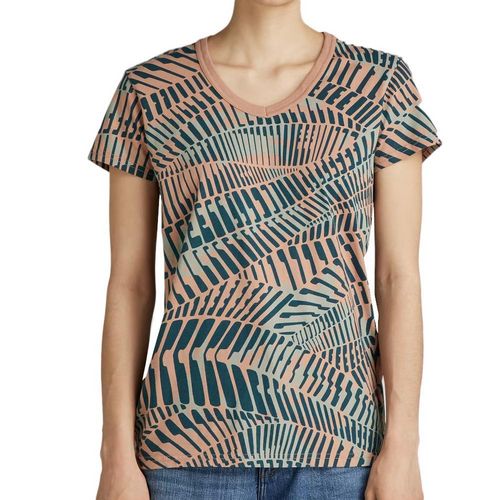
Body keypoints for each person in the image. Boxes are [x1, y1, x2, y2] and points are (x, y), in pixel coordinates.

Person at [88, 1, 441, 499]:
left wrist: (404, 448)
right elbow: (129, 284)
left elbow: (397, 276)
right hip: (183, 447)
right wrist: (115, 455)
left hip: (340, 448)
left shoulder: (379, 85)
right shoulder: (151, 90)